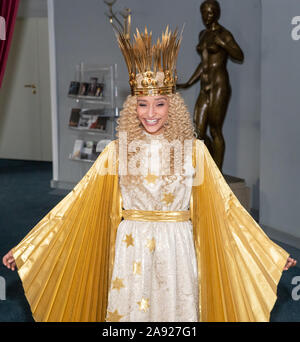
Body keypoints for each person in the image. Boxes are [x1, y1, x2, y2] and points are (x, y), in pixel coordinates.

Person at [2, 27, 297, 322]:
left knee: (176, 311)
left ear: (173, 106)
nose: (151, 113)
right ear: (133, 107)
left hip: (176, 246)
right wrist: (31, 246)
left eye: (159, 104)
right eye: (142, 104)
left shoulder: (194, 152)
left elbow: (228, 208)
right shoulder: (117, 152)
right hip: (133, 246)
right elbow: (76, 203)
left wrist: (268, 251)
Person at [177, 0, 244, 172]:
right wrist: (188, 83)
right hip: (204, 86)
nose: (206, 17)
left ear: (216, 13)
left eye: (209, 13)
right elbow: (204, 64)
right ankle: (208, 166)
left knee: (215, 130)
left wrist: (223, 43)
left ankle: (217, 174)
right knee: (197, 132)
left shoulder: (224, 34)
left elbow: (239, 55)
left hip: (219, 84)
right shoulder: (203, 34)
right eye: (203, 13)